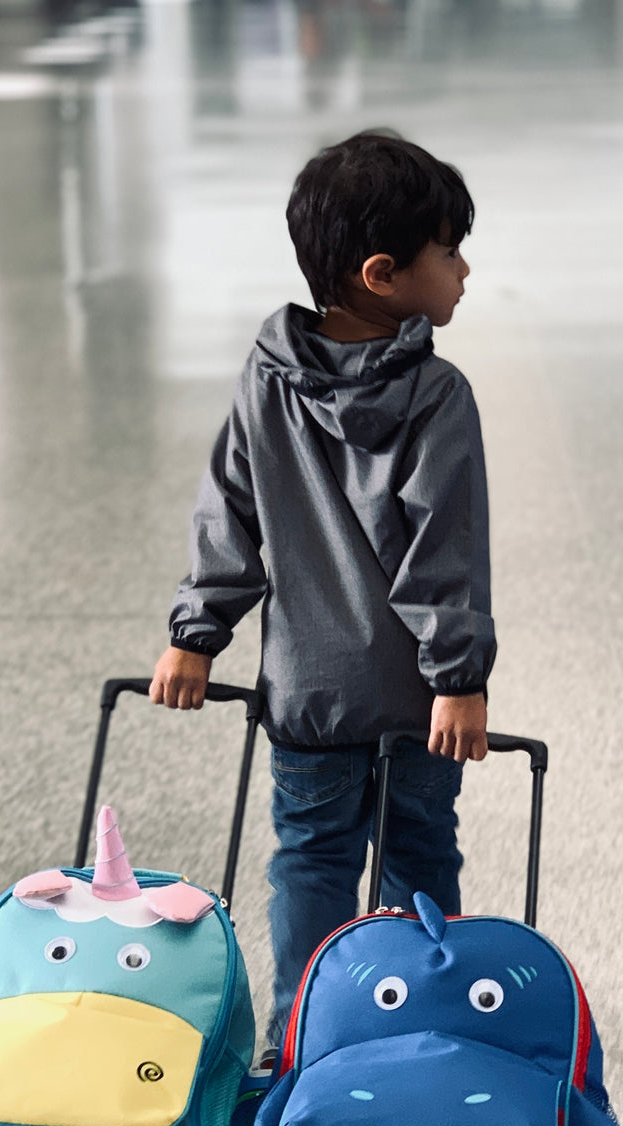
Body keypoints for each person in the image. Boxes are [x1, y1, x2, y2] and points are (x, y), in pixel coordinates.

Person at [149, 131, 496, 1049]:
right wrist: (460, 677)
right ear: (384, 274)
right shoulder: (436, 396)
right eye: (449, 249)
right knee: (418, 862)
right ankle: (415, 1037)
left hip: (303, 696)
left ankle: (301, 1044)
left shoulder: (267, 381)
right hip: (414, 705)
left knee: (309, 866)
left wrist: (197, 632)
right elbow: (442, 550)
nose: (465, 268)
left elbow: (230, 508)